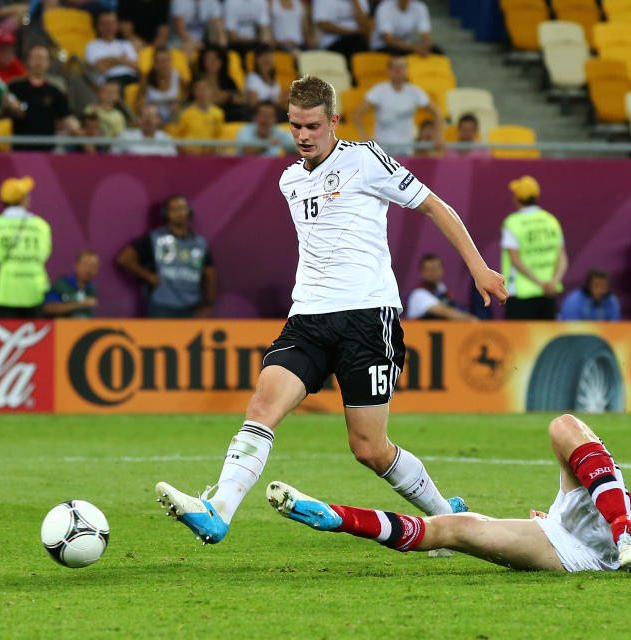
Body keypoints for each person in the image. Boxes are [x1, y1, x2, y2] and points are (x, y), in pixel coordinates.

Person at [154, 74, 508, 549]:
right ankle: (219, 511)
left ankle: (447, 521)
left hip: (368, 317)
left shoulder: (365, 159)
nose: (302, 135)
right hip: (309, 317)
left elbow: (435, 206)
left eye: (313, 126)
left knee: (369, 448)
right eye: (295, 125)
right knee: (262, 405)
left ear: (334, 122)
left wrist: (480, 268)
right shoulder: (289, 179)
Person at [267, 413, 631, 572]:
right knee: (452, 528)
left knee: (564, 425)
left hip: (592, 552)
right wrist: (558, 521)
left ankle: (624, 535)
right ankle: (333, 515)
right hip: (584, 528)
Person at [116, 194, 216, 318]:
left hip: (192, 306)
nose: (179, 213)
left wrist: (209, 304)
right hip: (162, 305)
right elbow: (124, 259)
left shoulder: (200, 243)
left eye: (182, 208)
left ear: (189, 211)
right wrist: (148, 276)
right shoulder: (155, 238)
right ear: (165, 214)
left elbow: (209, 275)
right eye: (174, 209)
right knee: (158, 338)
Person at [0, 176, 52, 318]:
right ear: (22, 199)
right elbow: (44, 256)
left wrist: (6, 263)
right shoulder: (41, 226)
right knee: (34, 339)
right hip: (35, 293)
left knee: (8, 338)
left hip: (6, 293)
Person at [501, 175, 568, 320]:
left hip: (520, 294)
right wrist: (553, 282)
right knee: (545, 341)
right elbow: (562, 258)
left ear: (517, 198)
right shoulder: (551, 221)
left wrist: (539, 283)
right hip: (548, 293)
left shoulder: (513, 223)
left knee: (518, 341)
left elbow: (515, 260)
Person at [353, 55, 442, 154]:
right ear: (389, 70)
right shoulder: (378, 91)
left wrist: (438, 136)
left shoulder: (415, 92)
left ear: (407, 70)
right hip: (382, 151)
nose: (398, 70)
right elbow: (357, 114)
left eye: (401, 67)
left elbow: (437, 113)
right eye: (395, 67)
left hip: (406, 150)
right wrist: (365, 138)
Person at [9, 45, 80, 152]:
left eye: (42, 58)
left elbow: (66, 115)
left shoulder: (55, 91)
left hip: (47, 149)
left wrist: (76, 128)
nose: (39, 62)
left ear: (48, 63)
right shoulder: (15, 87)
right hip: (20, 148)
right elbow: (1, 111)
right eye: (35, 58)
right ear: (28, 61)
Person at [404, 254, 477, 320]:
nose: (432, 273)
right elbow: (444, 312)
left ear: (441, 270)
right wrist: (471, 319)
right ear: (422, 272)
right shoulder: (418, 294)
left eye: (435, 269)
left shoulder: (443, 291)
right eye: (428, 270)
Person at [85, 11, 139, 86]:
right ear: (98, 26)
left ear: (117, 25)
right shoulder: (92, 45)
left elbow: (137, 67)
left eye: (111, 23)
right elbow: (101, 68)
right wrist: (122, 60)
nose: (108, 27)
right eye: (104, 24)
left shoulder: (126, 44)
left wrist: (110, 60)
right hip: (110, 80)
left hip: (132, 78)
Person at [195, 45, 248, 122]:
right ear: (203, 61)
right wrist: (219, 97)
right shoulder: (198, 80)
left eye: (216, 58)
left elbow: (240, 98)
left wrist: (229, 96)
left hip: (227, 116)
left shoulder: (227, 80)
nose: (213, 62)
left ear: (222, 61)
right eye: (209, 58)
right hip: (203, 117)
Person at [136, 46, 187, 124]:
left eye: (167, 60)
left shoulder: (177, 76)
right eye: (162, 61)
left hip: (171, 118)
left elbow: (186, 92)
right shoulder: (146, 78)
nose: (165, 64)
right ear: (155, 64)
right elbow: (138, 103)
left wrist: (178, 102)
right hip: (151, 120)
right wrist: (147, 114)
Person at [174, 78, 225, 154]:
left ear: (211, 90)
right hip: (189, 157)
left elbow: (219, 138)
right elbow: (178, 140)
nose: (202, 92)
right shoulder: (185, 113)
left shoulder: (218, 113)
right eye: (199, 89)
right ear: (194, 92)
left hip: (210, 157)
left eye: (205, 88)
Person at [44, 250, 100, 318]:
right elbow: (48, 308)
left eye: (93, 266)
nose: (89, 270)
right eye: (85, 265)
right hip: (61, 326)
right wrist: (80, 304)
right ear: (76, 266)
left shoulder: (91, 288)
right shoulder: (62, 284)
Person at [371, 0, 437, 56]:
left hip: (405, 47)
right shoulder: (384, 7)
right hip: (382, 47)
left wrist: (425, 47)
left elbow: (426, 34)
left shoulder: (420, 7)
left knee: (436, 51)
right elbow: (388, 40)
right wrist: (414, 48)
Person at [244, 45, 287, 112]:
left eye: (270, 58)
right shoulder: (252, 77)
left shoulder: (275, 81)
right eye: (264, 57)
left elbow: (278, 103)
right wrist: (279, 102)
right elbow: (254, 105)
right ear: (257, 60)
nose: (267, 59)